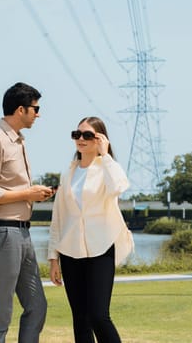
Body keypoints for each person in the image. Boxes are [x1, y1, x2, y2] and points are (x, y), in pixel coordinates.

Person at [0, 82, 55, 343]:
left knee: (37, 306)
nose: (38, 114)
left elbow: (11, 187)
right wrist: (27, 194)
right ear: (21, 109)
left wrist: (33, 193)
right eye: (35, 109)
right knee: (1, 313)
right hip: (2, 232)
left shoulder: (18, 141)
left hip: (22, 233)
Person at [48, 116, 134, 343]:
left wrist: (105, 155)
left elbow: (120, 187)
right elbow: (58, 217)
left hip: (101, 248)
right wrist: (53, 258)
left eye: (88, 135)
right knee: (80, 319)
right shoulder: (68, 173)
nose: (81, 139)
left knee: (98, 316)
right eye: (77, 134)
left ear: (100, 139)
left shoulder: (106, 169)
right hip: (69, 251)